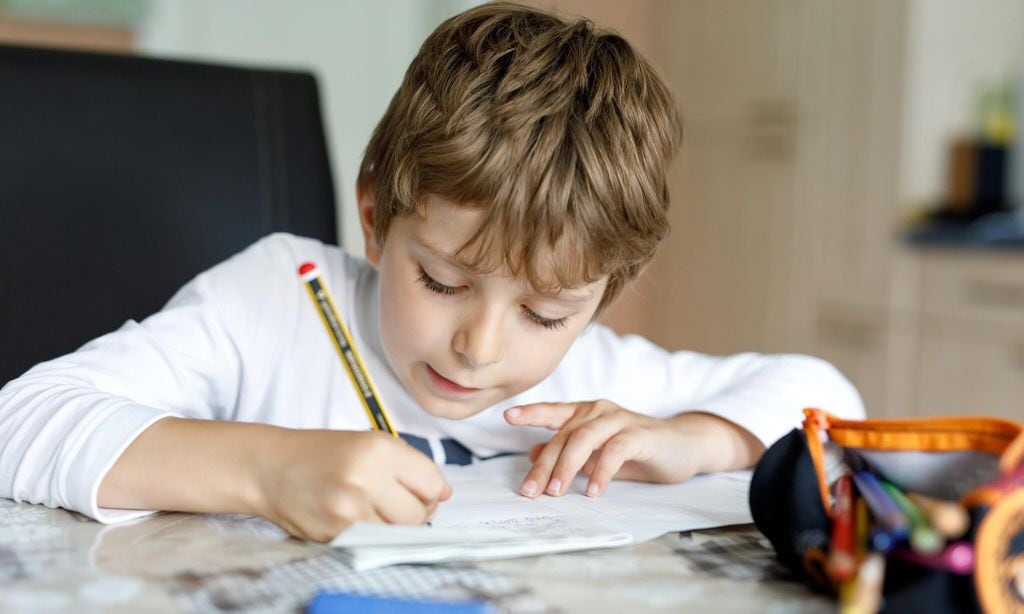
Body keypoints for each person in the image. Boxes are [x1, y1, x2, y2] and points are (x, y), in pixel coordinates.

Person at [0, 2, 863, 542]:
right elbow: (21, 420)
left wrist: (694, 440)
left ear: (607, 291)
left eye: (547, 313)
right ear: (376, 218)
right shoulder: (276, 299)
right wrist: (267, 469)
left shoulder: (589, 381)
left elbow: (826, 396)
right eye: (444, 282)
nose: (480, 346)